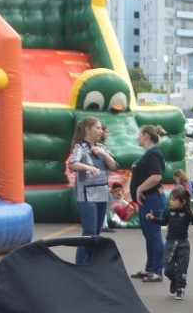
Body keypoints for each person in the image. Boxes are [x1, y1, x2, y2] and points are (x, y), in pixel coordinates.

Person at [68, 117, 118, 264]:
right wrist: (88, 167)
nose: (100, 131)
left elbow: (114, 166)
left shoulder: (101, 147)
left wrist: (103, 154)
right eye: (97, 128)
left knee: (96, 231)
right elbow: (73, 164)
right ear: (87, 129)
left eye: (101, 128)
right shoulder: (80, 148)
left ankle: (90, 262)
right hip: (85, 195)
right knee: (89, 231)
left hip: (102, 193)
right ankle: (81, 264)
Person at [142, 184, 193, 300]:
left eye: (174, 200)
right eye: (171, 199)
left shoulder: (188, 213)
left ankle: (180, 289)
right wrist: (153, 218)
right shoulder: (169, 212)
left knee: (182, 268)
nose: (171, 202)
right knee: (168, 269)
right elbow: (163, 222)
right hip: (170, 243)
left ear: (183, 201)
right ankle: (174, 280)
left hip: (183, 244)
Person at [130, 124, 168, 282]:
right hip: (147, 200)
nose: (138, 137)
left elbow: (156, 177)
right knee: (148, 235)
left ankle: (157, 270)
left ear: (145, 135)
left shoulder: (152, 154)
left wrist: (139, 189)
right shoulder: (149, 153)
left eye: (139, 134)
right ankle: (150, 268)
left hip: (151, 199)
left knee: (154, 235)